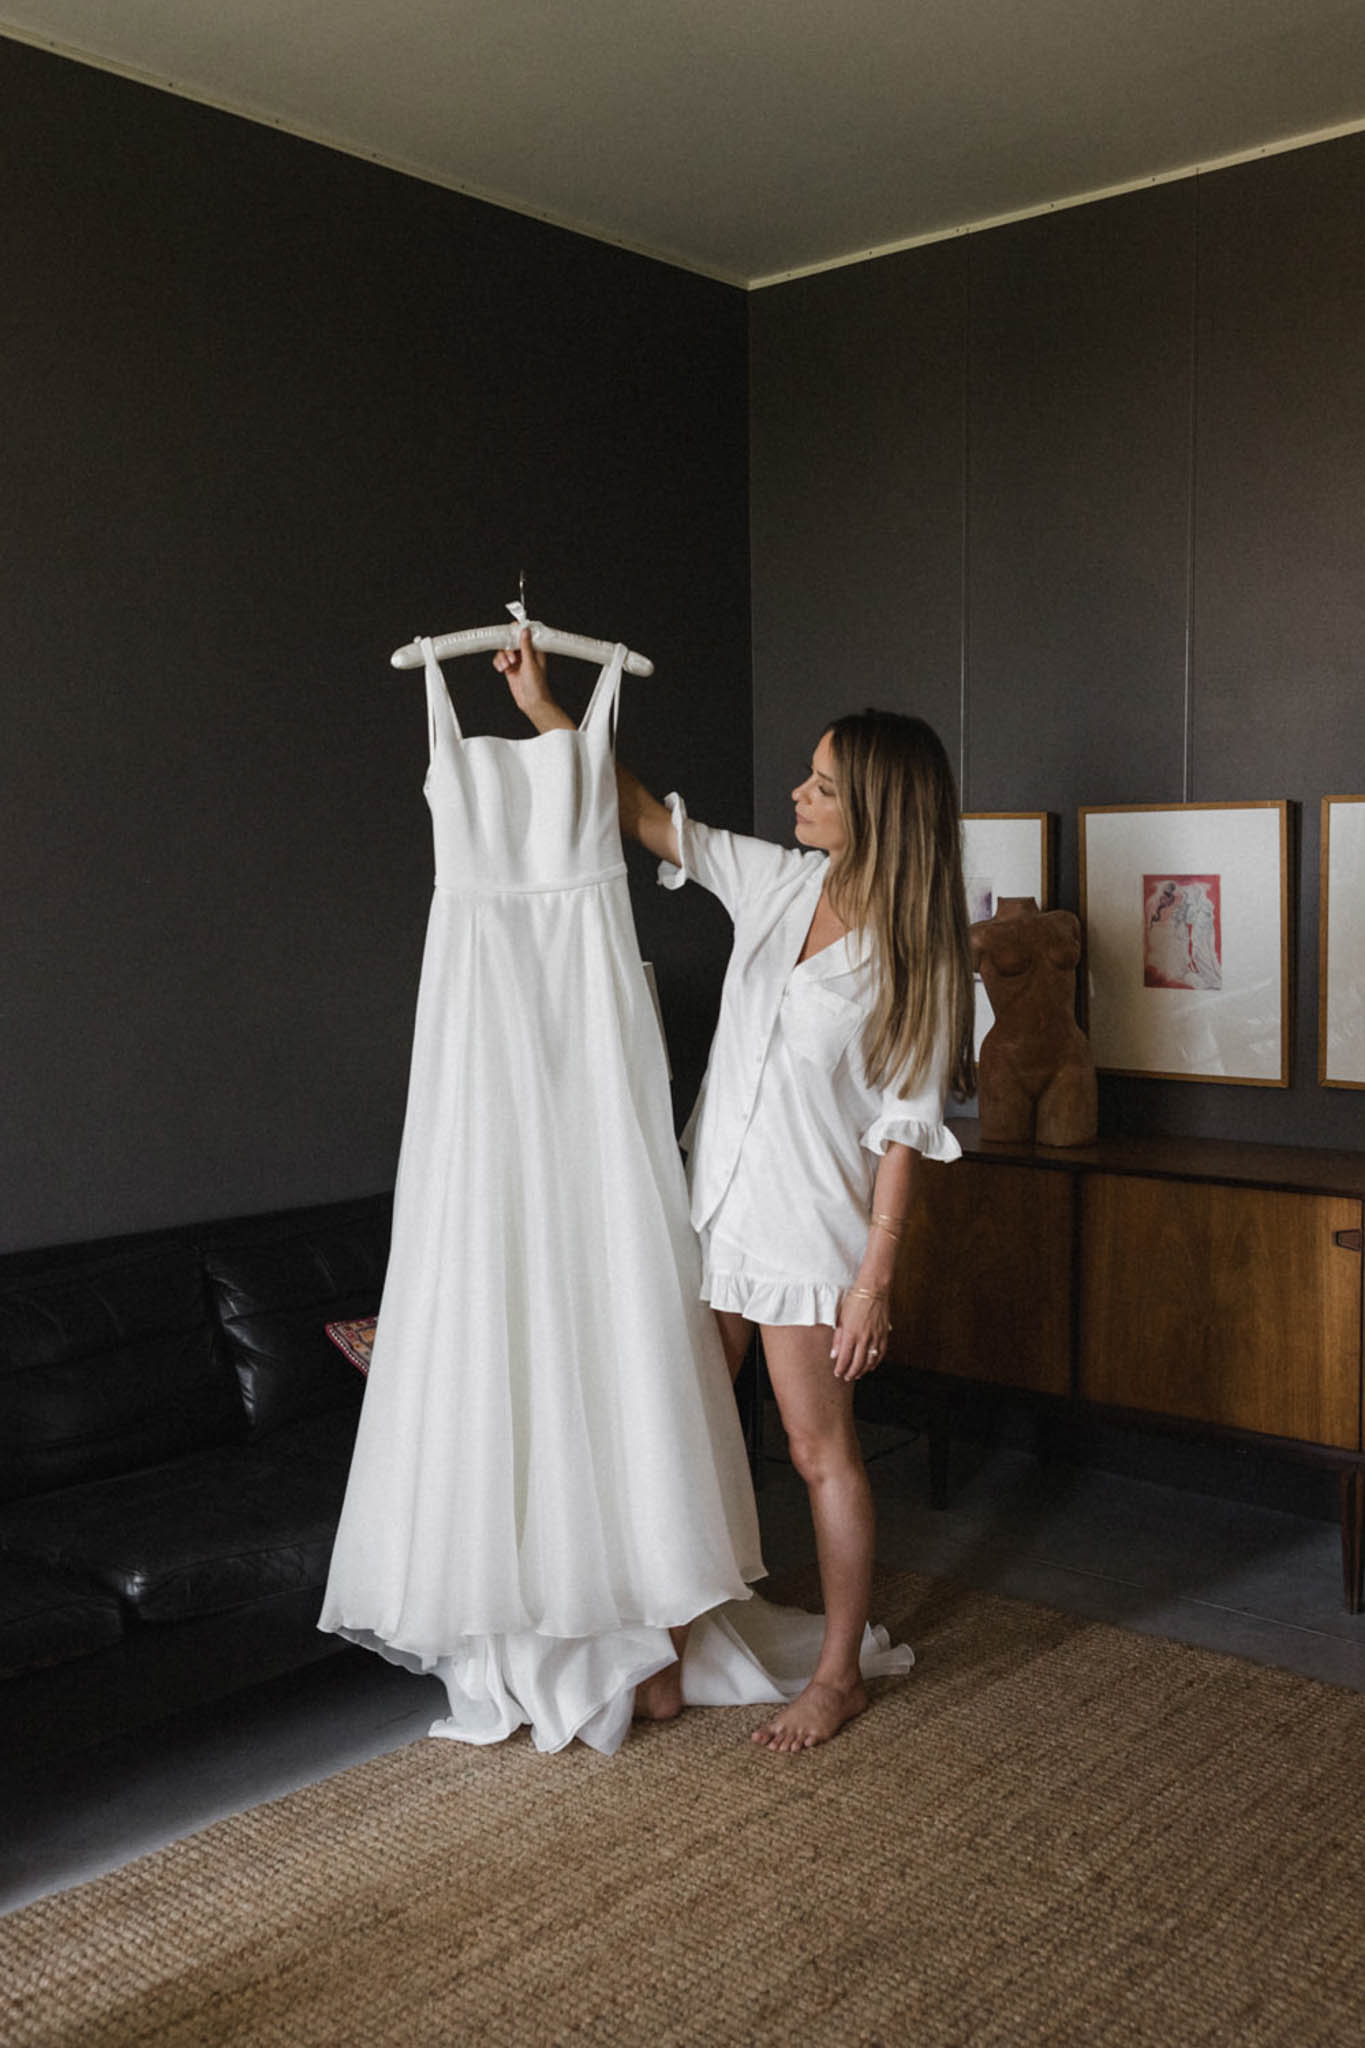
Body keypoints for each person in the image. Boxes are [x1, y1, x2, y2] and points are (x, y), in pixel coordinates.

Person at [497, 631, 975, 1751]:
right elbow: (642, 815)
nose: (798, 795)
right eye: (807, 778)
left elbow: (906, 1133)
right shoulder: (776, 880)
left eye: (821, 785)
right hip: (706, 1209)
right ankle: (663, 1649)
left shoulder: (919, 958)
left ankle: (840, 1673)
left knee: (819, 1453)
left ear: (876, 812)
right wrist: (547, 708)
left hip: (808, 1236)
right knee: (684, 1434)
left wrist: (873, 1282)